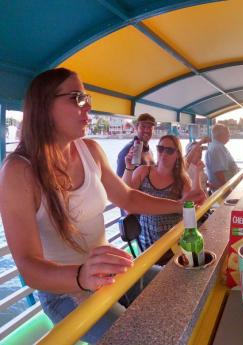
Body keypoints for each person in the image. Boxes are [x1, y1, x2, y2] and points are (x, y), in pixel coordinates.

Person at [0, 68, 203, 343]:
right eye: (77, 98)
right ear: (45, 106)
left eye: (87, 98)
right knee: (135, 338)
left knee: (182, 284)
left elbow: (128, 197)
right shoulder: (18, 171)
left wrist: (180, 205)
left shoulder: (91, 151)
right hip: (65, 291)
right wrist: (83, 276)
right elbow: (28, 266)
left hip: (109, 273)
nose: (88, 107)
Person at [122, 135, 206, 258]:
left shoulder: (181, 180)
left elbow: (196, 199)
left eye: (169, 150)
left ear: (177, 154)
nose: (163, 154)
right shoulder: (143, 171)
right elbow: (125, 197)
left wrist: (198, 172)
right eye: (160, 148)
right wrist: (129, 167)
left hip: (173, 244)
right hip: (148, 244)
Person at [116, 113, 156, 177]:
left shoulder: (149, 150)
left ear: (153, 130)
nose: (147, 130)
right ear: (137, 128)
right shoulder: (128, 150)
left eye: (150, 127)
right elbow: (119, 180)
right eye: (143, 126)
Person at [205, 123, 239, 190]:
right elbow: (219, 172)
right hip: (224, 191)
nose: (229, 135)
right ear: (221, 135)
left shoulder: (217, 146)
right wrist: (227, 189)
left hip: (226, 187)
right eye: (228, 133)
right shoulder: (217, 148)